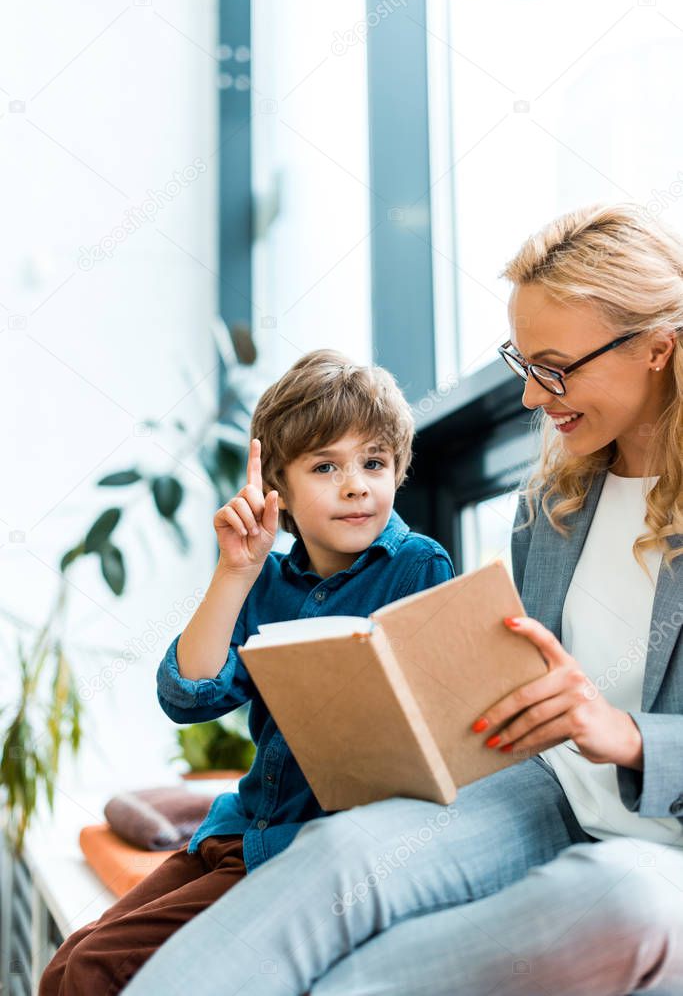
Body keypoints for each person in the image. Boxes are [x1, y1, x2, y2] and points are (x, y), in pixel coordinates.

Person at [122, 204, 683, 996]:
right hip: (549, 790)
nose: (529, 396)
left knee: (612, 902)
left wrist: (628, 737)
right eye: (521, 362)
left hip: (661, 851)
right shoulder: (552, 501)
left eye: (553, 367)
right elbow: (189, 692)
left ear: (658, 347)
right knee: (342, 856)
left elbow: (614, 723)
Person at [38, 349, 454, 995]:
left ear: (397, 468)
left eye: (374, 462)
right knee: (69, 959)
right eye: (326, 466)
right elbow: (186, 694)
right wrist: (235, 571)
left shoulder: (418, 565)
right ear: (278, 488)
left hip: (301, 854)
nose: (356, 485)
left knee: (93, 973)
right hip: (237, 829)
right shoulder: (266, 580)